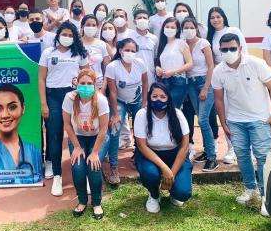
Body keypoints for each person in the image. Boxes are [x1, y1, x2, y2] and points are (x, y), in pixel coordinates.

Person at [212, 33, 271, 215]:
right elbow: (218, 99)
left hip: (260, 119)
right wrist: (223, 122)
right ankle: (251, 189)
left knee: (262, 156)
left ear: (240, 48)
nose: (229, 52)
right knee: (242, 155)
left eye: (232, 48)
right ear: (220, 51)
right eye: (225, 49)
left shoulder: (256, 64)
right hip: (235, 121)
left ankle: (267, 196)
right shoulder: (218, 71)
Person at [38, 21, 89, 195]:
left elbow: (87, 75)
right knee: (55, 134)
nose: (67, 38)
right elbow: (41, 79)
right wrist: (44, 103)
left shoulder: (79, 54)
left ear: (75, 38)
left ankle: (86, 174)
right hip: (52, 96)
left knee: (79, 133)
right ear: (58, 35)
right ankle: (58, 176)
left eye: (70, 35)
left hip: (74, 97)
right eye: (64, 34)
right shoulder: (48, 52)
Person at [134, 83, 192, 213]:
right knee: (151, 174)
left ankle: (173, 191)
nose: (158, 100)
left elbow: (184, 147)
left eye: (162, 96)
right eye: (154, 96)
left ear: (168, 99)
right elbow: (142, 147)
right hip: (150, 155)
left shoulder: (178, 115)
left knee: (183, 193)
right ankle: (154, 194)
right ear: (149, 98)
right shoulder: (141, 115)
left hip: (175, 155)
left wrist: (172, 173)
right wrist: (165, 169)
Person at [62, 69, 109, 220]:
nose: (86, 86)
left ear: (95, 85)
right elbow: (67, 125)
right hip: (78, 138)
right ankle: (82, 201)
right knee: (78, 167)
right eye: (82, 83)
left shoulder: (101, 100)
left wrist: (94, 153)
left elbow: (103, 129)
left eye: (89, 83)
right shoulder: (69, 98)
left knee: (93, 166)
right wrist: (76, 146)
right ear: (76, 83)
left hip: (98, 137)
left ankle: (96, 203)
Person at [102, 38, 149, 184]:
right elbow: (113, 92)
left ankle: (139, 157)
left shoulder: (140, 64)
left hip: (137, 98)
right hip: (119, 101)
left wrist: (143, 105)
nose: (130, 53)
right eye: (127, 50)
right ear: (120, 50)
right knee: (115, 130)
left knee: (141, 128)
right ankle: (114, 167)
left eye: (133, 51)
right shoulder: (112, 66)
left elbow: (146, 84)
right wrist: (115, 114)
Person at [206, 6, 247, 164]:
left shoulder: (234, 30)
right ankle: (232, 147)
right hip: (221, 77)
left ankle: (245, 148)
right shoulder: (210, 36)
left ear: (223, 17)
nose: (215, 20)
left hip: (239, 75)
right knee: (225, 113)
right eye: (212, 17)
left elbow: (245, 52)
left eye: (218, 16)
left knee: (241, 111)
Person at [181, 17, 218, 171]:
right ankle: (207, 151)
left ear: (196, 28)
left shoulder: (203, 43)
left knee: (203, 120)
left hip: (204, 82)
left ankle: (212, 158)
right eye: (186, 28)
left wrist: (205, 88)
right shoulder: (182, 45)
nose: (189, 30)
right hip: (190, 83)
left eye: (191, 27)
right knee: (200, 118)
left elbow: (211, 66)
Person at [155, 17, 194, 159]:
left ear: (177, 30)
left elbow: (190, 64)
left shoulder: (181, 44)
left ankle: (183, 146)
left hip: (178, 81)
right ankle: (167, 143)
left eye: (173, 27)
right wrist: (158, 69)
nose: (169, 29)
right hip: (165, 82)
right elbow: (159, 63)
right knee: (164, 112)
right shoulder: (162, 45)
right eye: (167, 26)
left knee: (173, 111)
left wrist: (174, 71)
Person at [81, 14, 110, 92]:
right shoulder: (76, 43)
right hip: (82, 85)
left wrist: (103, 88)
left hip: (99, 84)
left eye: (94, 25)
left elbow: (107, 68)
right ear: (82, 26)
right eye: (88, 25)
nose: (91, 27)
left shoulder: (101, 44)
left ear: (97, 28)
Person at [133, 9, 159, 84]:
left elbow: (156, 57)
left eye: (144, 18)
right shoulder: (129, 37)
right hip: (134, 77)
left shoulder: (154, 38)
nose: (142, 20)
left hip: (150, 77)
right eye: (139, 18)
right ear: (134, 21)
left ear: (148, 21)